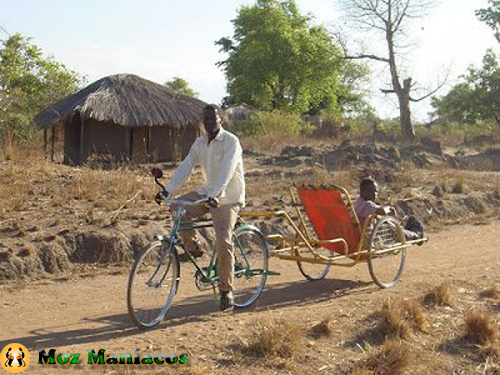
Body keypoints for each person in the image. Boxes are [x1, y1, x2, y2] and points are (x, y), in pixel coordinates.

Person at [156, 104, 245, 312]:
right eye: (206, 120)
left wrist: (217, 195)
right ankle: (193, 249)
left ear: (220, 120)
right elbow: (186, 167)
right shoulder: (199, 143)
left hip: (228, 198)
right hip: (208, 192)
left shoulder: (231, 141)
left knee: (223, 241)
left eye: (213, 119)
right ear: (202, 123)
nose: (209, 123)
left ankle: (226, 291)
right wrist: (167, 191)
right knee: (178, 207)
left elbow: (228, 170)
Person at [354, 177, 424, 242]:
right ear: (362, 191)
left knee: (390, 223)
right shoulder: (366, 204)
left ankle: (410, 231)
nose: (375, 194)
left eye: (376, 192)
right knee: (393, 227)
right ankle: (416, 235)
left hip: (366, 233)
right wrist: (389, 208)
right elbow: (382, 211)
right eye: (371, 191)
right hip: (370, 236)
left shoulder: (358, 202)